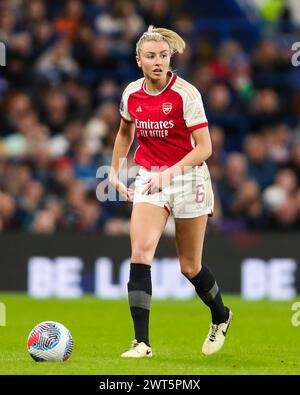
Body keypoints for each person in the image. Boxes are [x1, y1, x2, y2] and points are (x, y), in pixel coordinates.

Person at [109, 25, 233, 358]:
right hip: (151, 177)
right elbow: (124, 133)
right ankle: (141, 343)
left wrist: (171, 174)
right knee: (141, 252)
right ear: (139, 60)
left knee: (190, 265)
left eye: (163, 55)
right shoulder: (131, 94)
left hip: (189, 177)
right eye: (151, 56)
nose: (158, 61)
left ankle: (221, 316)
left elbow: (204, 148)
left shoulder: (187, 94)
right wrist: (116, 170)